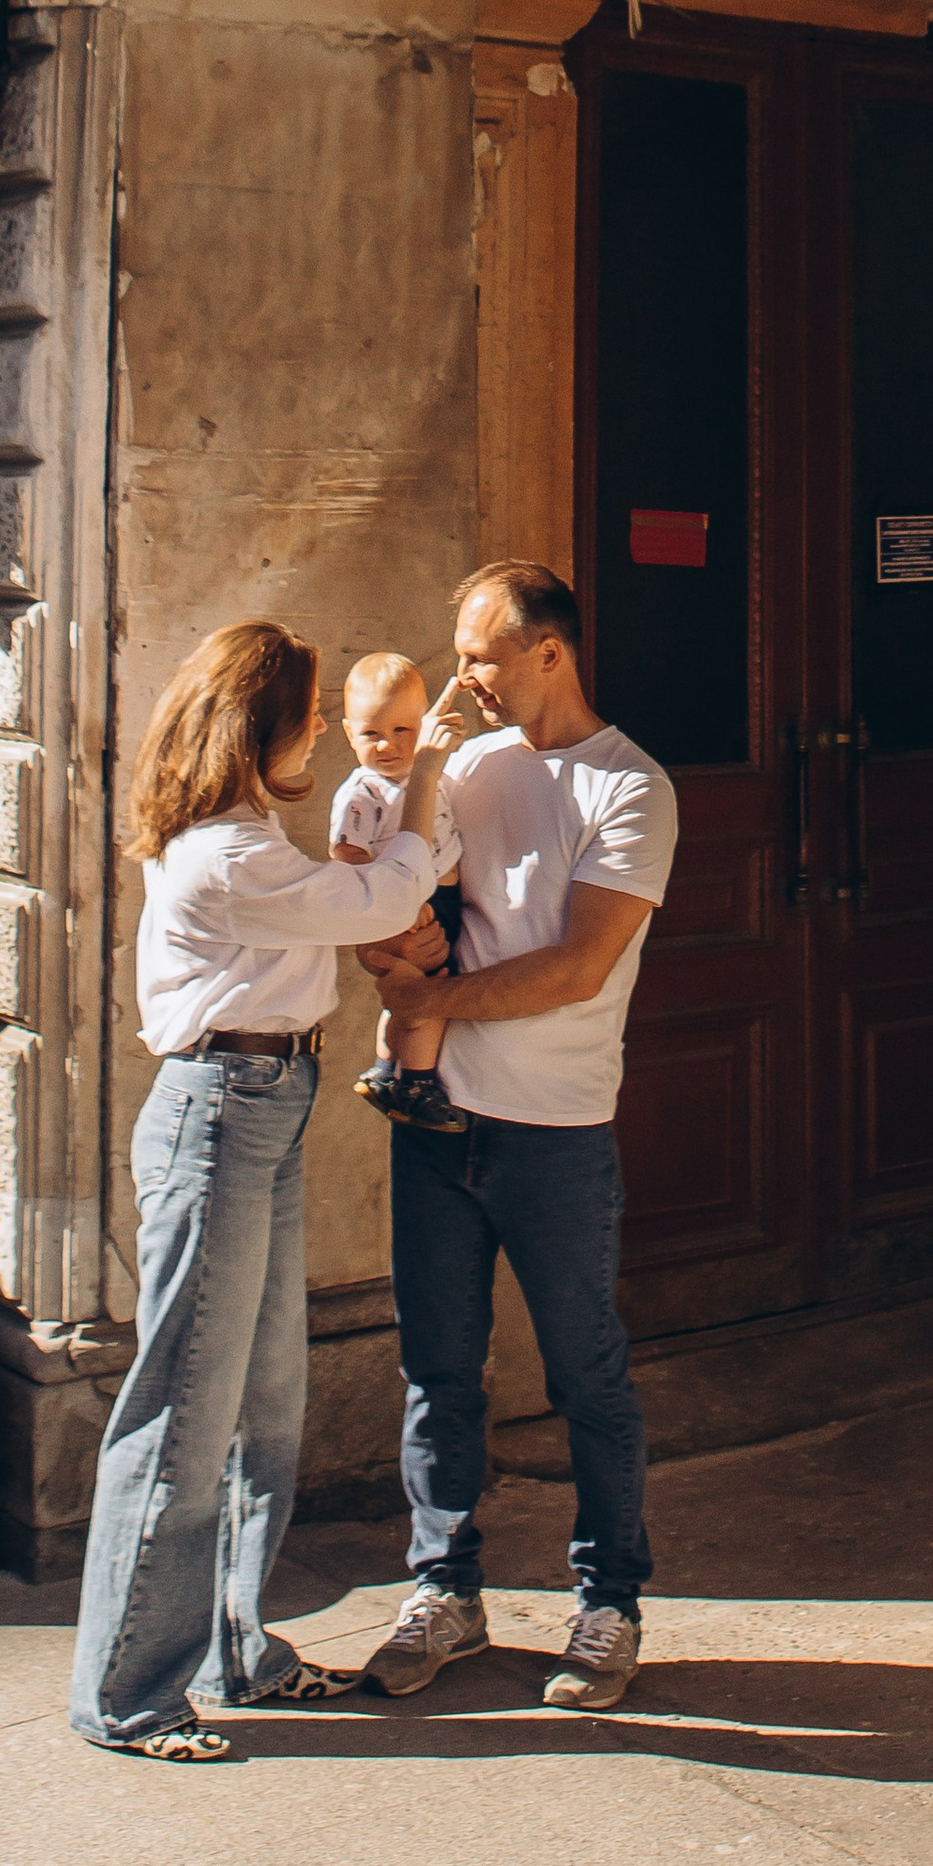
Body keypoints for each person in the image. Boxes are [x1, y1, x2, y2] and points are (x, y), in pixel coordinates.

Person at [67, 619, 450, 1760]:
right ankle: (128, 1694)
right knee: (186, 1403)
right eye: (312, 707)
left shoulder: (248, 832)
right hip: (222, 1111)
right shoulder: (225, 856)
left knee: (263, 1403)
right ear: (262, 724)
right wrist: (423, 767)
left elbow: (355, 897)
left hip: (265, 1101)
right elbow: (384, 899)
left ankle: (240, 1648)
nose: (326, 725)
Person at [353, 560, 676, 1715]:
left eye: (482, 653)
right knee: (437, 1370)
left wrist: (429, 1006)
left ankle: (609, 1603)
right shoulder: (469, 765)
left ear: (551, 651)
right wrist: (391, 960)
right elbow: (386, 895)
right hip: (437, 1122)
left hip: (556, 1129)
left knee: (587, 1372)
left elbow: (578, 965)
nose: (464, 674)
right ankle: (444, 1588)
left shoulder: (630, 788)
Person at [333, 649, 464, 1131]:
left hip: (439, 899)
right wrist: (395, 909)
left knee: (405, 991)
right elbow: (347, 854)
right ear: (350, 733)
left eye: (401, 731)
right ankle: (419, 1081)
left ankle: (386, 1070)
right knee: (432, 991)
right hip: (414, 907)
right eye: (371, 734)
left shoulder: (430, 774)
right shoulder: (363, 793)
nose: (386, 745)